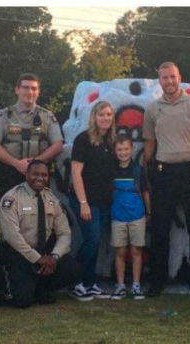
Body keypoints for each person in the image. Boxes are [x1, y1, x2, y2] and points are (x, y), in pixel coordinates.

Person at [143, 62, 190, 298]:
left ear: (179, 77)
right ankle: (157, 282)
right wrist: (144, 172)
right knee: (160, 230)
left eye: (172, 77)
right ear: (159, 81)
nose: (169, 81)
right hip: (164, 173)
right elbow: (149, 144)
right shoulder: (152, 109)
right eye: (164, 78)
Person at [0, 160, 81, 308]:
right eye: (35, 174)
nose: (40, 178)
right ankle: (4, 286)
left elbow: (64, 233)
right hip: (18, 254)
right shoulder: (11, 198)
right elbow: (12, 236)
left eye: (44, 175)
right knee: (21, 302)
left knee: (74, 270)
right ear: (26, 174)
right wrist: (37, 258)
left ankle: (41, 288)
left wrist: (54, 257)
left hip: (45, 254)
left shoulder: (51, 198)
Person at [68, 101, 117, 301]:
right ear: (94, 117)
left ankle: (89, 282)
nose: (106, 118)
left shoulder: (111, 141)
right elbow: (76, 173)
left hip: (104, 200)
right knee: (91, 240)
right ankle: (75, 282)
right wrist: (83, 202)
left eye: (109, 114)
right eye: (101, 114)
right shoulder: (83, 139)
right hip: (85, 200)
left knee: (96, 243)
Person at [0, 73, 63, 202]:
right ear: (17, 90)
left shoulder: (47, 117)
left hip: (38, 175)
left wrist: (34, 163)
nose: (30, 92)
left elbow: (58, 145)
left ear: (38, 92)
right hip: (10, 174)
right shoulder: (4, 116)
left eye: (34, 88)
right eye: (26, 87)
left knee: (39, 215)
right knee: (8, 212)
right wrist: (17, 164)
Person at [110, 135, 151, 301]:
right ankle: (120, 285)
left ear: (132, 149)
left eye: (126, 149)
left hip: (137, 215)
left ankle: (136, 285)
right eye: (119, 149)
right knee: (120, 251)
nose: (123, 152)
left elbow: (145, 191)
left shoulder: (138, 170)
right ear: (115, 151)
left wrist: (149, 212)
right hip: (118, 216)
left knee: (136, 250)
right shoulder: (112, 169)